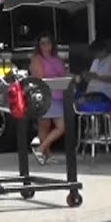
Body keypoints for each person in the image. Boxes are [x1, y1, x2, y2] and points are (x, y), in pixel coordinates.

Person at [27, 33, 68, 165]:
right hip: (45, 95)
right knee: (45, 126)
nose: (46, 46)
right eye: (43, 43)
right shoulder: (37, 59)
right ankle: (45, 153)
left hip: (58, 95)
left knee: (59, 126)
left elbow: (64, 74)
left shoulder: (57, 58)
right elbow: (39, 78)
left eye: (48, 42)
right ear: (39, 46)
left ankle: (42, 150)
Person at [78, 38, 111, 108]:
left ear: (103, 50)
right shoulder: (95, 61)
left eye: (97, 53)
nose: (95, 55)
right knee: (77, 100)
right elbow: (90, 79)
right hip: (92, 92)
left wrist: (97, 77)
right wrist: (86, 76)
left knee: (84, 101)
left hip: (106, 94)